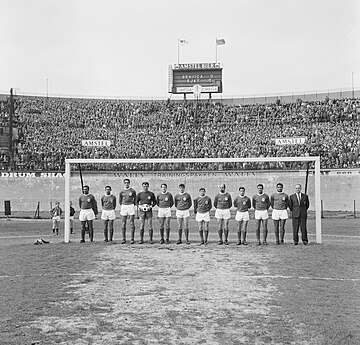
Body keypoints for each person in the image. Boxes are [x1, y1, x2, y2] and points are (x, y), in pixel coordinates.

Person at [119, 178, 136, 244]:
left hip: (131, 206)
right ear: (124, 183)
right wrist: (123, 204)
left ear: (129, 183)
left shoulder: (132, 191)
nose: (126, 184)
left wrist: (132, 204)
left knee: (132, 223)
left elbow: (135, 198)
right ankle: (123, 239)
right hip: (124, 206)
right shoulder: (122, 191)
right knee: (123, 223)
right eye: (125, 183)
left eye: (127, 183)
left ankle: (132, 239)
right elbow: (120, 200)